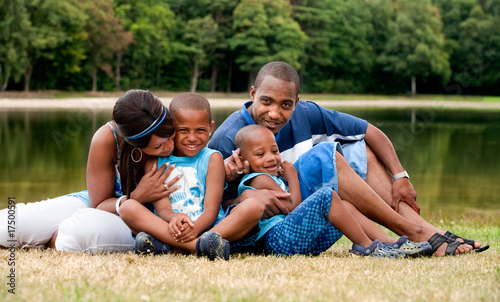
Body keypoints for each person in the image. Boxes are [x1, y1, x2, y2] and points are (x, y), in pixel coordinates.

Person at [209, 61, 488, 256]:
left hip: (298, 199)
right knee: (322, 156)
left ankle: (426, 233)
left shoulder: (308, 113)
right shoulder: (228, 137)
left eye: (286, 105)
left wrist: (400, 176)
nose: (274, 113)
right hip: (269, 226)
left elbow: (370, 131)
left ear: (297, 101)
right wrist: (241, 196)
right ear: (253, 94)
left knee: (360, 148)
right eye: (266, 101)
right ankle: (415, 233)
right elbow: (208, 204)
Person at [0, 89, 183, 253]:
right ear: (133, 143)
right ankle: (43, 237)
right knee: (11, 224)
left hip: (144, 219)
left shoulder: (183, 132)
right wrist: (137, 196)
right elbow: (99, 204)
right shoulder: (107, 138)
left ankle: (51, 241)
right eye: (158, 146)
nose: (169, 146)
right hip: (107, 203)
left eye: (171, 136)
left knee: (77, 232)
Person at [235, 124, 432, 258]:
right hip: (279, 242)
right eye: (261, 154)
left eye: (275, 151)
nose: (271, 158)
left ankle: (389, 242)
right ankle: (366, 245)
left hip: (296, 240)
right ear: (244, 160)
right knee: (327, 195)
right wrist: (293, 177)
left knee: (344, 205)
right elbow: (291, 207)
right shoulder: (259, 179)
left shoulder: (270, 176)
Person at [119, 93, 264, 260]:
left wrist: (195, 229)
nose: (192, 138)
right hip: (170, 227)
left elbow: (211, 209)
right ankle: (199, 247)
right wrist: (174, 218)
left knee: (254, 206)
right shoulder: (155, 163)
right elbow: (163, 209)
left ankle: (177, 247)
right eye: (183, 131)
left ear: (211, 128)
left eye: (200, 130)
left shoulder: (212, 159)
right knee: (127, 207)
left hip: (210, 227)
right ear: (172, 129)